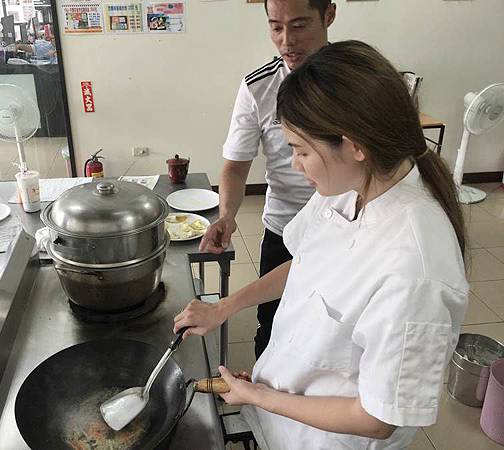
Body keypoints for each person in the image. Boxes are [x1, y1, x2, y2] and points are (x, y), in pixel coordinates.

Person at [174, 41, 468, 449]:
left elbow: (378, 417)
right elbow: (306, 264)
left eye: (300, 150)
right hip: (281, 416)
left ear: (354, 145)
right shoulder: (349, 186)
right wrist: (225, 307)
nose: (294, 164)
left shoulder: (416, 269)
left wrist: (261, 396)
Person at [199, 0, 336, 359]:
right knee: (274, 324)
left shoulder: (354, 83)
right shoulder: (259, 87)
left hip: (348, 229)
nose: (286, 40)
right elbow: (235, 166)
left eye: (300, 25)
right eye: (276, 27)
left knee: (331, 330)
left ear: (329, 15)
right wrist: (226, 216)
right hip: (285, 226)